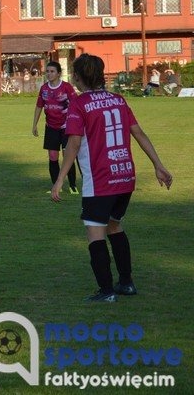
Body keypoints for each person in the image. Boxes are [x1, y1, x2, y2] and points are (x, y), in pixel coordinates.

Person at [52, 54, 173, 303]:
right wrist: (158, 165)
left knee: (95, 234)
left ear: (77, 77)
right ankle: (126, 283)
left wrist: (60, 178)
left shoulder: (79, 104)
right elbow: (138, 133)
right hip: (125, 175)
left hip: (100, 180)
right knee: (115, 225)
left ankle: (106, 291)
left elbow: (73, 144)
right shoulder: (118, 100)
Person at [31, 61, 78, 195]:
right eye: (47, 71)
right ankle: (56, 186)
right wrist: (34, 124)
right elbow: (39, 106)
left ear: (58, 73)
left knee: (67, 155)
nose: (49, 74)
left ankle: (73, 185)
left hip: (66, 127)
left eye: (52, 71)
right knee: (52, 156)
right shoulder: (44, 89)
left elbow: (77, 105)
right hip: (51, 127)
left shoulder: (67, 87)